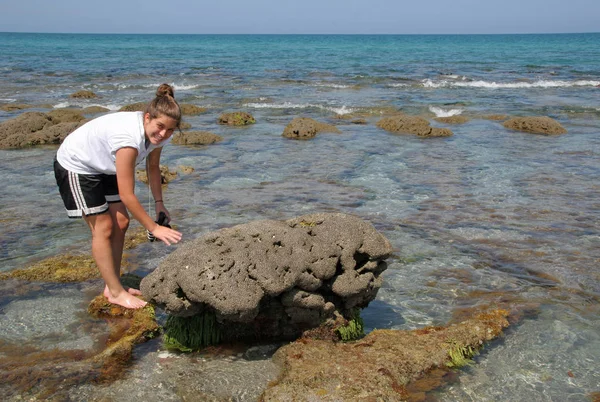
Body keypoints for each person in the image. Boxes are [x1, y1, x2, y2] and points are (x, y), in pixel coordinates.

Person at [54, 83, 183, 309]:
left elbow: (153, 168)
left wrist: (160, 205)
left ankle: (112, 284)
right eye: (160, 126)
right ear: (147, 118)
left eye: (170, 130)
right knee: (103, 227)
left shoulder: (161, 136)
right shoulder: (128, 140)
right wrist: (153, 228)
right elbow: (126, 194)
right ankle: (114, 292)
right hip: (78, 164)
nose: (163, 134)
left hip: (105, 164)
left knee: (121, 222)